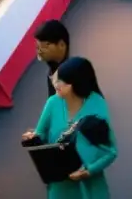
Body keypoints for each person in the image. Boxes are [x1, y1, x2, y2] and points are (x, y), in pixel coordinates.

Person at [22, 57, 117, 198]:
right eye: (57, 79)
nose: (56, 84)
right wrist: (33, 138)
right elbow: (40, 134)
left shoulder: (97, 104)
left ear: (77, 84)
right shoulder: (52, 103)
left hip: (91, 189)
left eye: (63, 81)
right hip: (61, 187)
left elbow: (111, 151)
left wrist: (89, 170)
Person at [34, 20, 70, 98]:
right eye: (38, 47)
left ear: (61, 45)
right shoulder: (51, 74)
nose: (40, 51)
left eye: (46, 46)